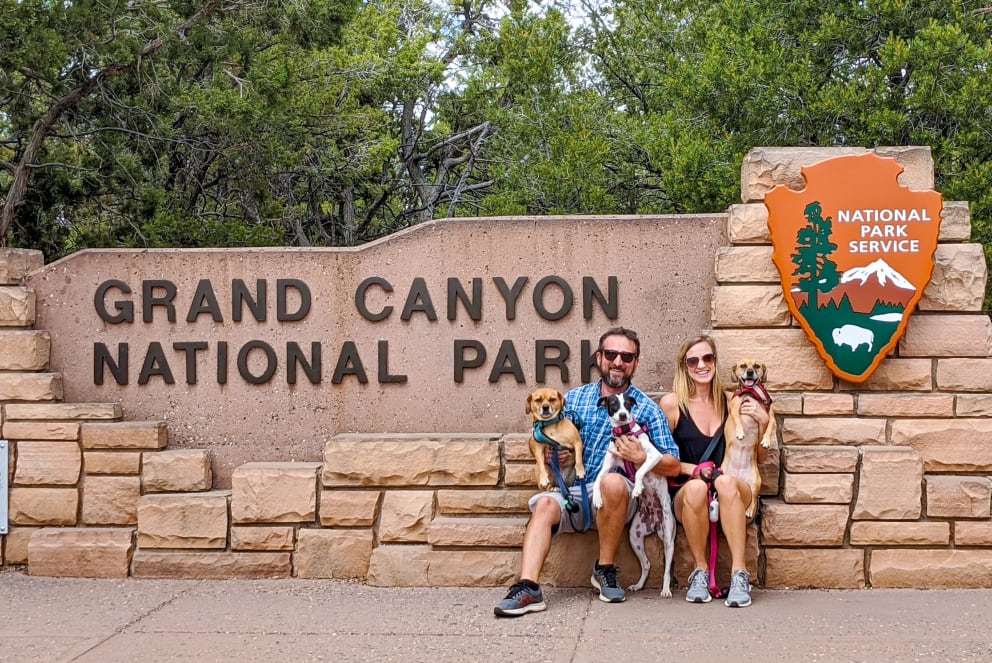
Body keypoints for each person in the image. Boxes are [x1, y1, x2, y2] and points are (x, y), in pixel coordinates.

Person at [494, 327, 680, 617]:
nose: (618, 361)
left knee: (614, 482)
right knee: (544, 504)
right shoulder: (573, 399)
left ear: (636, 362)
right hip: (574, 492)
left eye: (627, 356)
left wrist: (643, 456)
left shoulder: (646, 408)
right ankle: (528, 587)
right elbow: (544, 436)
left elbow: (674, 464)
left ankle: (604, 570)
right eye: (611, 354)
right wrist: (558, 454)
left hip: (618, 500)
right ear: (599, 357)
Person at [659, 334, 769, 608]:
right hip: (688, 493)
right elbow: (660, 459)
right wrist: (694, 469)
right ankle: (699, 572)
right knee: (696, 487)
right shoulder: (673, 404)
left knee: (728, 482)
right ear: (684, 366)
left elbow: (760, 456)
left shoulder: (734, 401)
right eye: (693, 360)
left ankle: (739, 573)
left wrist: (764, 423)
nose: (701, 365)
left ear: (716, 362)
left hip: (732, 490)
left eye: (707, 358)